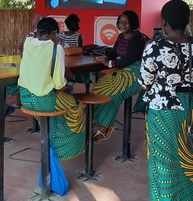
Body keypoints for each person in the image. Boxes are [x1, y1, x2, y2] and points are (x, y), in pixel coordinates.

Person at [139, 0, 193, 200]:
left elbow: (144, 81)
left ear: (164, 22)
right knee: (192, 155)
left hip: (164, 111)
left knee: (164, 161)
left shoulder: (154, 47)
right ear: (187, 20)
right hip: (192, 107)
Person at [18, 17, 85, 160]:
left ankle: (54, 138)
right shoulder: (56, 48)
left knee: (58, 107)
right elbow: (59, 85)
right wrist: (66, 87)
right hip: (44, 101)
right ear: (53, 33)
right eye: (56, 35)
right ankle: (66, 148)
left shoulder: (28, 43)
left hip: (25, 98)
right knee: (76, 106)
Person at [91, 10, 148, 143]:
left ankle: (106, 127)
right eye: (121, 21)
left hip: (136, 73)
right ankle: (97, 120)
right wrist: (104, 57)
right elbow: (113, 51)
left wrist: (109, 63)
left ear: (133, 23)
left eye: (126, 22)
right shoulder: (121, 37)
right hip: (123, 71)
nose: (123, 24)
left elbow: (130, 58)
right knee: (100, 86)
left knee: (114, 93)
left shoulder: (138, 39)